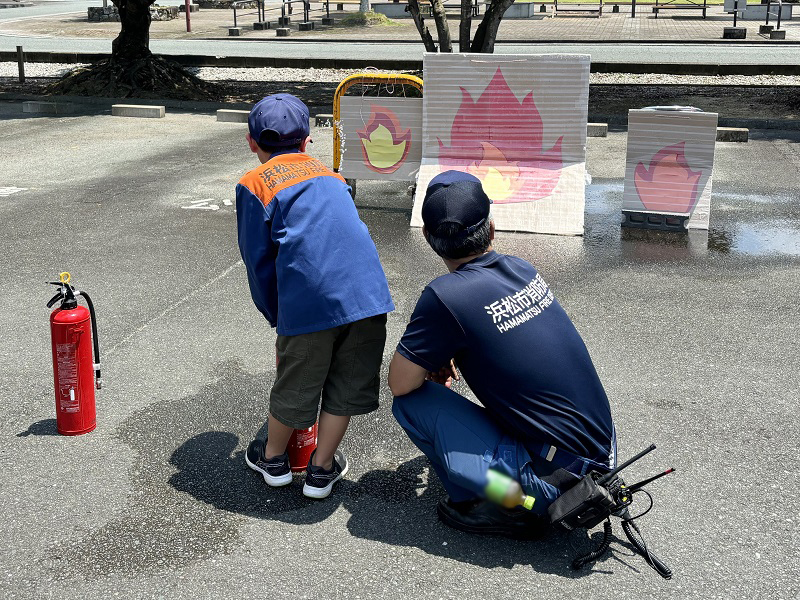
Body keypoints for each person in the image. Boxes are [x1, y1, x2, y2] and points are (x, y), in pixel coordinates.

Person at [388, 171, 615, 538]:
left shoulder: (446, 296)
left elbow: (400, 383)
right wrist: (447, 349)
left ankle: (505, 503)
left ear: (428, 238)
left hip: (549, 489)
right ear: (491, 228)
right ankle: (521, 488)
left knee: (411, 404)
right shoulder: (521, 268)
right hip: (600, 455)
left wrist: (438, 354)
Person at [237, 94, 394, 499]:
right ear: (308, 141)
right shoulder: (332, 176)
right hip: (368, 297)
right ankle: (321, 470)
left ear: (251, 142)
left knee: (297, 382)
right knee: (344, 386)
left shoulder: (255, 183)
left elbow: (258, 261)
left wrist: (277, 314)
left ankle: (273, 459)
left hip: (309, 304)